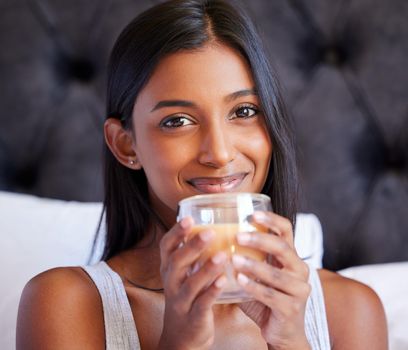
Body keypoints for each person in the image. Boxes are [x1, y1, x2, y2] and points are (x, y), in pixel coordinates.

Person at [16, 0, 387, 349]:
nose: (220, 153)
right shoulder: (65, 303)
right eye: (177, 121)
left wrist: (291, 341)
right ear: (126, 146)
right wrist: (179, 342)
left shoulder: (350, 311)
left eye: (243, 112)